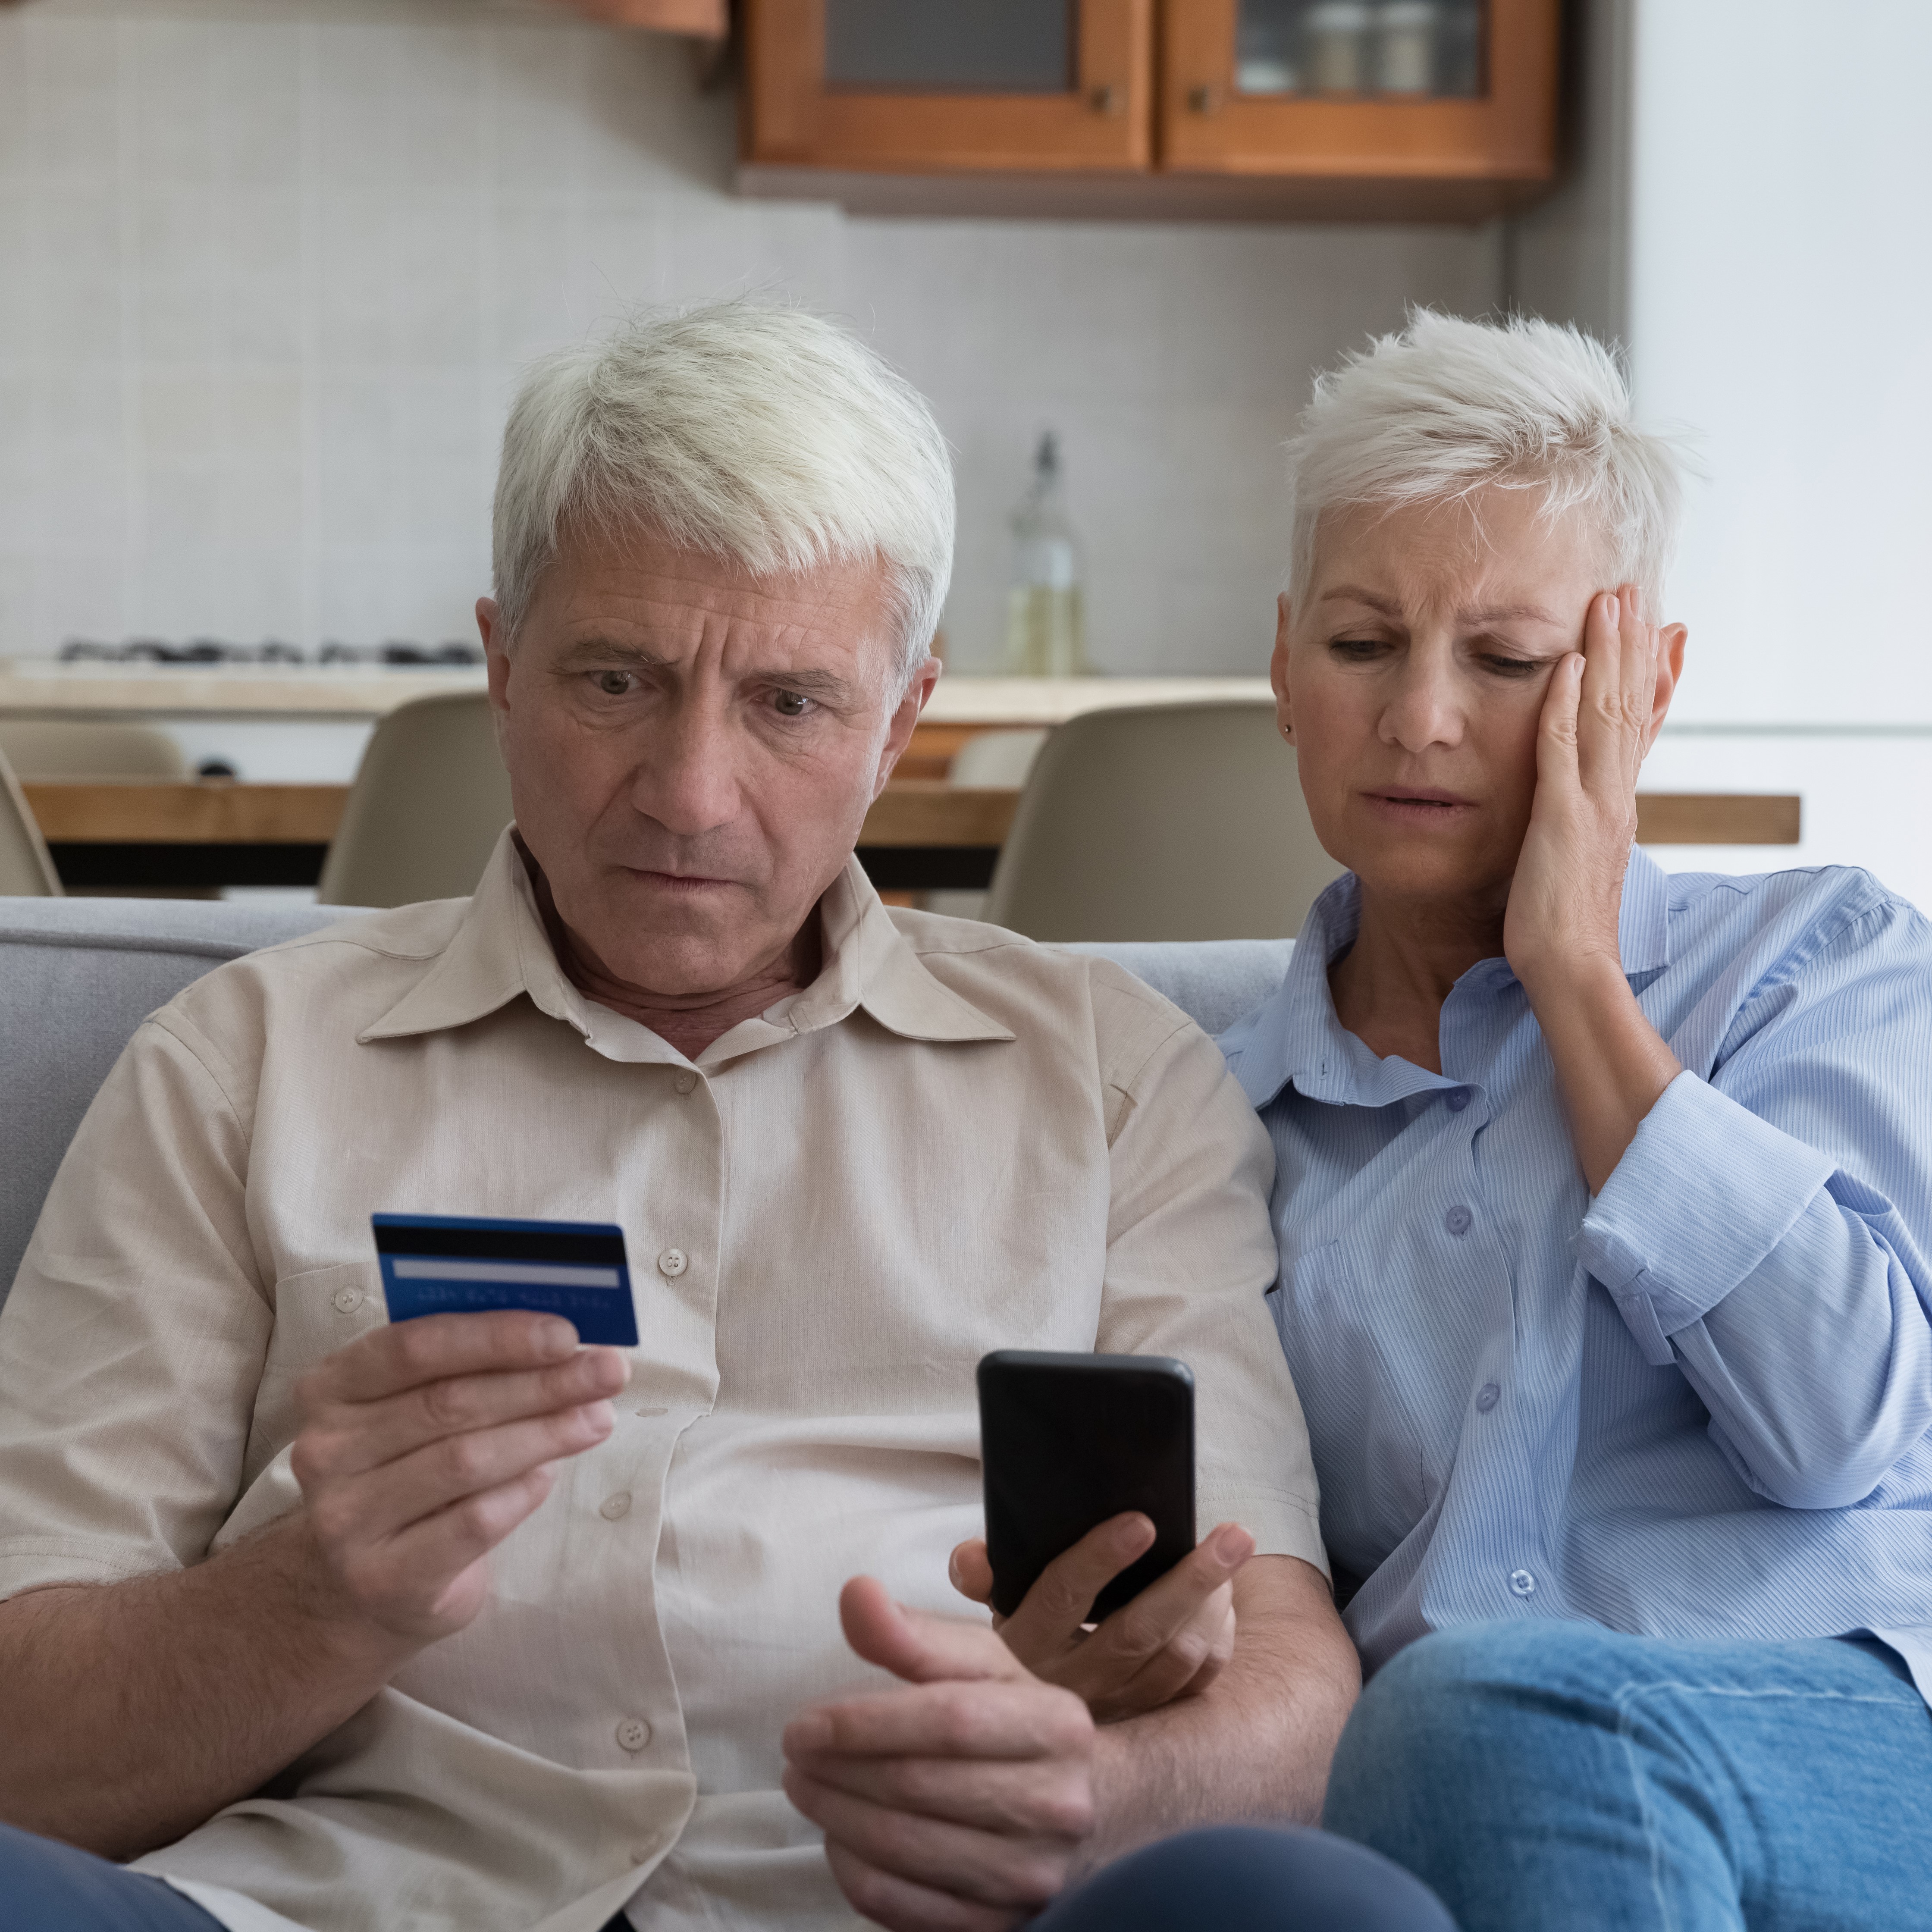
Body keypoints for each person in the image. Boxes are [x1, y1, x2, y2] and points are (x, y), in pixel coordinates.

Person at [0, 301, 1434, 1932]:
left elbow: (1292, 1686)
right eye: (616, 679)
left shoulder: (1115, 1085)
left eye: (790, 704)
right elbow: (17, 1730)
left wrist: (1086, 1799)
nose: (688, 791)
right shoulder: (241, 1067)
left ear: (900, 724)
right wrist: (305, 1605)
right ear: (499, 667)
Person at [1217, 310, 1932, 1928]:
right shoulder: (1211, 1123)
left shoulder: (1819, 962)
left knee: (1493, 1713)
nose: (1420, 718)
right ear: (1279, 664)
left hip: (1854, 1737)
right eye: (1359, 645)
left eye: (1507, 659)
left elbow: (1838, 1435)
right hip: (1453, 1797)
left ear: (1642, 684)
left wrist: (1576, 978)